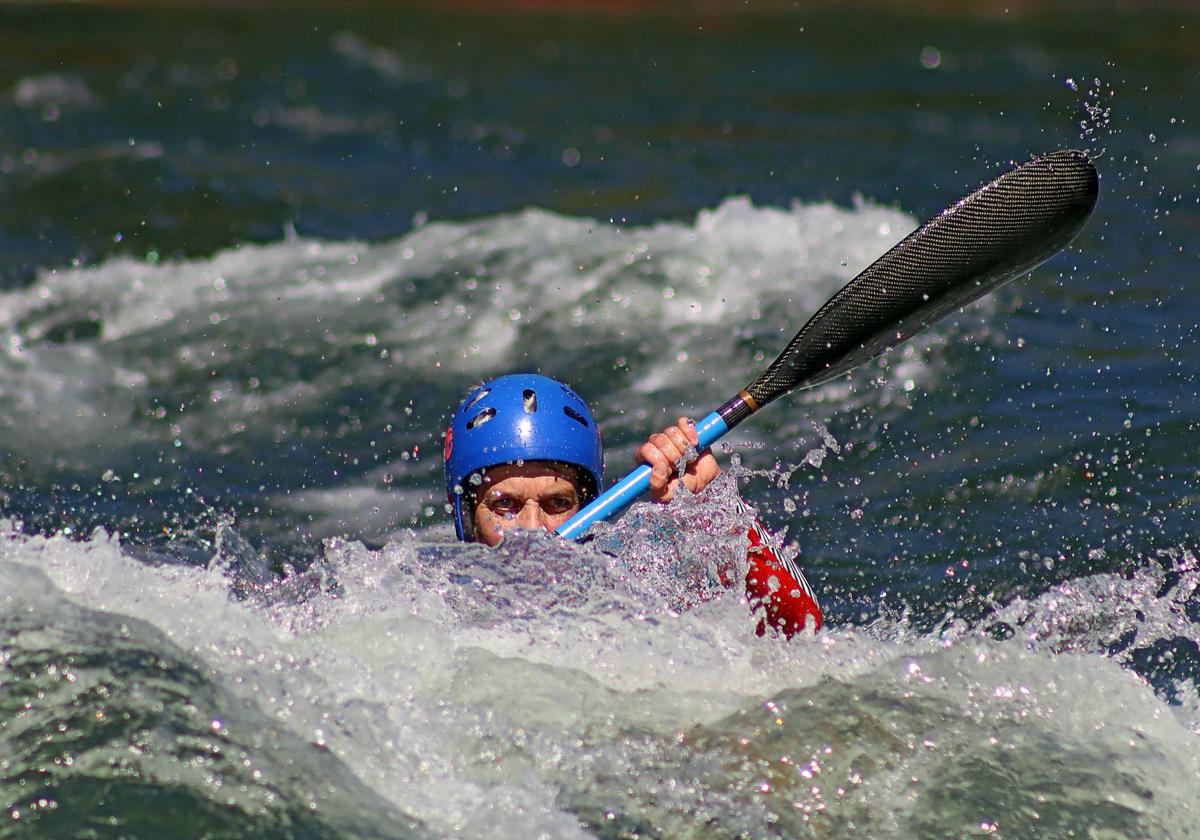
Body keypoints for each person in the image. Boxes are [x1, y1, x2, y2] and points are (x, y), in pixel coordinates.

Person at [443, 373, 822, 636]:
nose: (533, 530)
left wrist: (714, 509)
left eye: (558, 502)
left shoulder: (638, 602)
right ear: (467, 518)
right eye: (505, 505)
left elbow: (801, 631)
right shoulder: (428, 610)